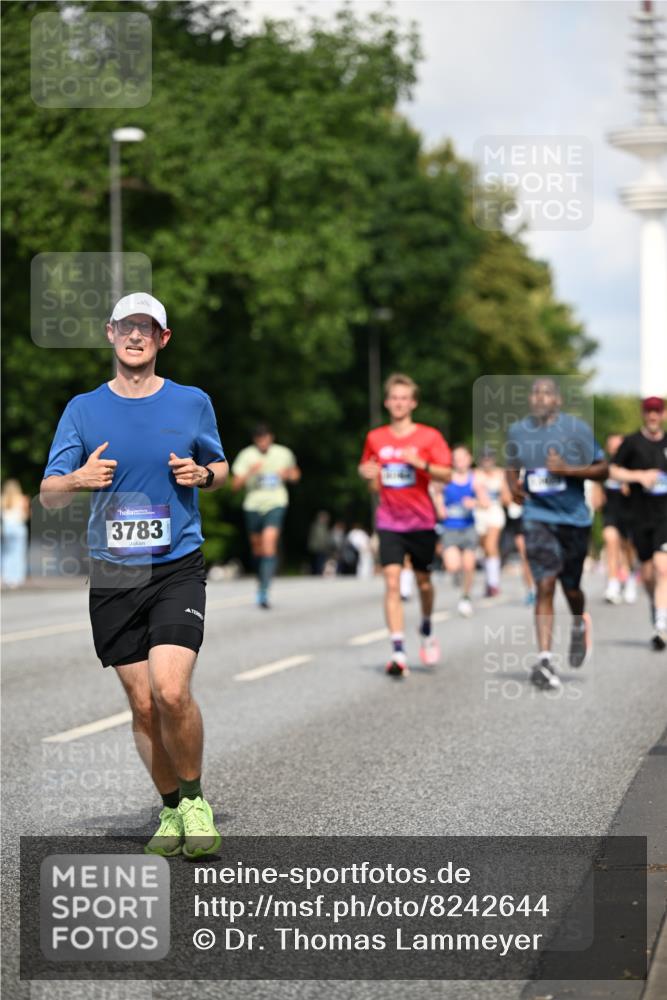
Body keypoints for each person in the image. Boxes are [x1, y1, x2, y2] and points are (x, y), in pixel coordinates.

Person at [40, 292, 228, 859]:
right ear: (110, 333)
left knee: (171, 690)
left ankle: (194, 800)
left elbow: (220, 464)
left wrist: (205, 475)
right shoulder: (82, 408)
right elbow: (48, 492)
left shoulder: (193, 402)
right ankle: (170, 810)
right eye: (127, 326)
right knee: (142, 704)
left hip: (176, 565)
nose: (136, 335)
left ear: (163, 338)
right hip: (114, 574)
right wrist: (79, 479)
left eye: (147, 327)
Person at [506, 377, 607, 690]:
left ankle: (579, 622)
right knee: (545, 582)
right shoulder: (518, 431)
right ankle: (545, 659)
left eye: (546, 392)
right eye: (535, 392)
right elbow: (511, 464)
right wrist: (513, 488)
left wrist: (569, 470)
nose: (539, 397)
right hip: (538, 516)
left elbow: (604, 468)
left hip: (574, 519)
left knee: (571, 588)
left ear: (558, 400)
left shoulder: (576, 430)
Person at [359, 373, 452, 677]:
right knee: (392, 583)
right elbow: (373, 484)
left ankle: (426, 626)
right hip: (389, 521)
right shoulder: (376, 438)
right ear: (387, 402)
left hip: (422, 521)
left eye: (404, 398)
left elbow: (448, 475)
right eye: (394, 398)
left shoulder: (429, 437)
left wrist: (420, 463)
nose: (399, 403)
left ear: (413, 403)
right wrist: (369, 475)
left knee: (424, 583)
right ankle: (398, 651)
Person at [610, 397, 667, 650]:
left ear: (663, 414)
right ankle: (657, 607)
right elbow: (612, 471)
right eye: (649, 412)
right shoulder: (631, 443)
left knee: (663, 567)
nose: (653, 416)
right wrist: (639, 476)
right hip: (640, 515)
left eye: (657, 412)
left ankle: (661, 627)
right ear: (644, 414)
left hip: (665, 516)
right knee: (647, 574)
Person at [231, 424, 301, 608]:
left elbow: (296, 475)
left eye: (266, 438)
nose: (263, 442)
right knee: (257, 549)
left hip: (276, 502)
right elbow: (234, 485)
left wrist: (288, 474)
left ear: (271, 437)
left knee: (269, 544)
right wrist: (250, 472)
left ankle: (264, 589)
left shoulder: (283, 453)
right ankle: (261, 577)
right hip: (253, 505)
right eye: (259, 439)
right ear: (255, 440)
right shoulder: (247, 456)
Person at [431, 445, 478, 617]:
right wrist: (440, 506)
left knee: (469, 565)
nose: (459, 462)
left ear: (469, 459)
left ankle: (465, 597)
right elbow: (437, 494)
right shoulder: (446, 478)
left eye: (462, 458)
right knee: (453, 566)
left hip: (468, 527)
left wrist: (474, 503)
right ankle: (457, 577)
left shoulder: (475, 479)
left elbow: (486, 501)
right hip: (450, 527)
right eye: (456, 458)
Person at [592, 434, 638, 605]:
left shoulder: (631, 466)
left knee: (628, 548)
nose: (615, 449)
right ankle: (612, 583)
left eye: (618, 446)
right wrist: (597, 494)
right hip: (610, 512)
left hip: (630, 514)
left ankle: (630, 576)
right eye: (612, 446)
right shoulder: (605, 468)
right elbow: (597, 485)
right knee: (611, 541)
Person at [473, 448, 512, 597]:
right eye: (484, 458)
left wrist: (506, 495)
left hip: (494, 512)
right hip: (479, 514)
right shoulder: (475, 474)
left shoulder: (501, 474)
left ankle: (494, 583)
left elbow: (506, 499)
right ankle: (490, 579)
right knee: (484, 549)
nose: (487, 461)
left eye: (489, 458)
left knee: (491, 545)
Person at [1, 479, 30, 588]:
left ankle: (6, 577)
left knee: (6, 553)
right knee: (19, 553)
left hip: (7, 528)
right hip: (18, 528)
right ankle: (16, 579)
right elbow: (26, 516)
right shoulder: (22, 499)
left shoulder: (3, 500)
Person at [307, 510, 331, 575]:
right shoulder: (318, 526)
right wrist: (324, 545)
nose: (327, 519)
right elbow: (320, 537)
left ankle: (318, 572)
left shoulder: (322, 525)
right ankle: (317, 572)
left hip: (319, 547)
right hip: (318, 547)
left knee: (319, 560)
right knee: (318, 560)